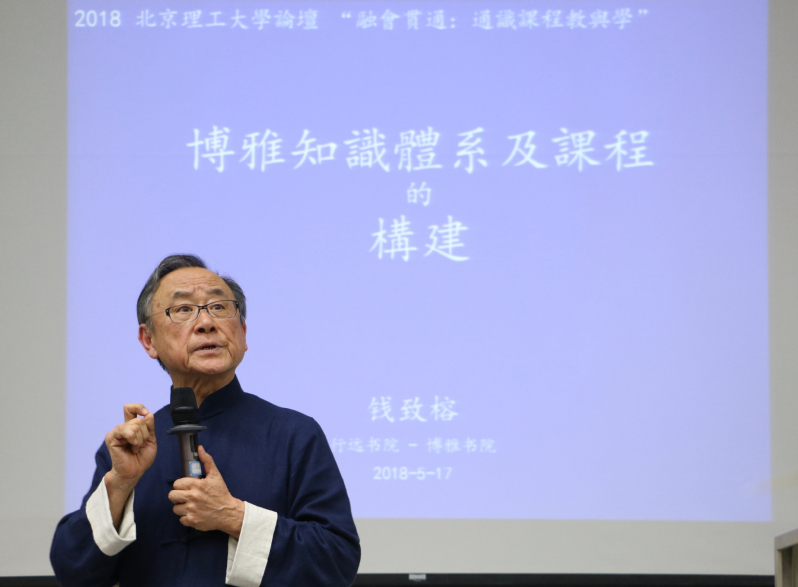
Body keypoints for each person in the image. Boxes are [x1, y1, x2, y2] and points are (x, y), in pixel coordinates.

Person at [51, 254, 360, 586]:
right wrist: (120, 485)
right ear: (148, 340)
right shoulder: (133, 447)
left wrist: (234, 516)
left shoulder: (294, 435)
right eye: (183, 309)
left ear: (242, 333)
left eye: (219, 307)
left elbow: (337, 561)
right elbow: (73, 571)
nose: (206, 322)